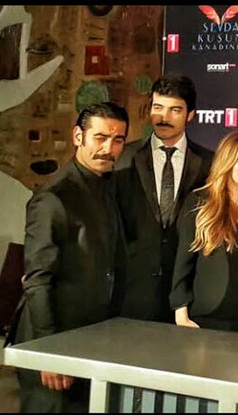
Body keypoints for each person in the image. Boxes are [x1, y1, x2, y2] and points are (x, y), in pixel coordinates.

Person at [7, 102, 129, 412]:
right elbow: (37, 282)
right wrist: (49, 351)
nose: (108, 148)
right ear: (78, 136)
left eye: (117, 140)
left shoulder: (108, 185)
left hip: (90, 338)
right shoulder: (53, 198)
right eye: (100, 137)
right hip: (52, 342)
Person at [115, 74, 213, 323]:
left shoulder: (210, 164)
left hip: (188, 296)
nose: (163, 117)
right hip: (130, 295)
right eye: (157, 108)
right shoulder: (123, 158)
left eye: (174, 110)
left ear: (191, 115)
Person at [170, 130, 238, 333]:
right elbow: (182, 263)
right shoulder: (201, 202)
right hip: (207, 320)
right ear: (227, 161)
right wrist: (181, 315)